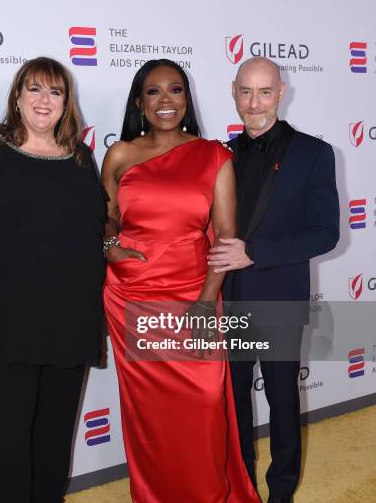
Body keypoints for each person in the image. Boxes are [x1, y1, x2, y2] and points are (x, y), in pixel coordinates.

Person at [101, 59, 259, 502]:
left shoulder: (214, 156)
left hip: (195, 295)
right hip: (131, 294)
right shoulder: (120, 154)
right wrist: (109, 244)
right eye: (154, 92)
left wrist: (208, 300)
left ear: (187, 100)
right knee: (150, 415)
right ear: (140, 102)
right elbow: (108, 216)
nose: (165, 100)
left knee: (204, 406)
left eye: (175, 90)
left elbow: (226, 237)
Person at [0, 57, 106, 503]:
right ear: (17, 97)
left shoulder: (81, 156)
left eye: (55, 92)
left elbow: (95, 229)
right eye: (35, 89)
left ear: (66, 103)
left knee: (56, 439)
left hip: (70, 319)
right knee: (9, 441)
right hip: (6, 318)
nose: (44, 100)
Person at [208, 57, 339, 503]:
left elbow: (326, 232)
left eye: (264, 91)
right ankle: (242, 483)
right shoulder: (221, 154)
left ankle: (281, 490)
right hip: (230, 300)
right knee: (235, 403)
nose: (254, 102)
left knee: (283, 403)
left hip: (279, 301)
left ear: (281, 92)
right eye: (246, 91)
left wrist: (255, 253)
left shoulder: (313, 153)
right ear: (233, 91)